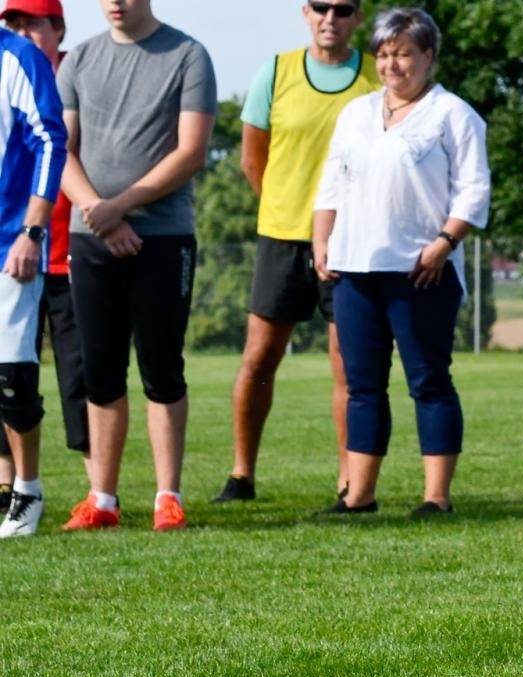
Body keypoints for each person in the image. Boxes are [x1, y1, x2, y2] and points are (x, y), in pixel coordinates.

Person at [311, 7, 489, 515]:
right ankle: (359, 495)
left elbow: (475, 190)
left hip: (421, 269)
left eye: (404, 53)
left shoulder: (453, 114)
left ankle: (436, 497)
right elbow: (331, 183)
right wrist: (321, 241)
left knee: (428, 380)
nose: (392, 65)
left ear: (428, 56)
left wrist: (444, 243)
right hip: (354, 270)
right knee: (362, 385)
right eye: (384, 54)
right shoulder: (356, 114)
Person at [56, 0, 216, 532]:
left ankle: (167, 498)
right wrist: (98, 214)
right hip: (93, 235)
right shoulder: (78, 60)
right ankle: (102, 499)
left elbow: (191, 152)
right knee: (99, 371)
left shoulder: (189, 55)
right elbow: (61, 149)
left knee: (161, 368)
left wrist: (119, 208)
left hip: (164, 237)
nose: (114, 2)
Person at [213, 0, 379, 505]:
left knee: (347, 367)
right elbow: (251, 158)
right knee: (259, 358)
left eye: (343, 8)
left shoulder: (376, 77)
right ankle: (241, 475)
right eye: (321, 6)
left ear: (358, 17)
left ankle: (349, 481)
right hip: (282, 238)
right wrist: (288, 211)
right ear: (305, 13)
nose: (331, 16)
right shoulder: (277, 71)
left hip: (353, 242)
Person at [0, 0, 84, 515]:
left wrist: (32, 229)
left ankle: (27, 490)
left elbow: (52, 141)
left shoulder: (19, 58)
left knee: (13, 380)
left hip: (10, 243)